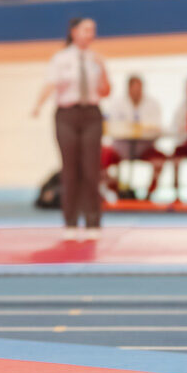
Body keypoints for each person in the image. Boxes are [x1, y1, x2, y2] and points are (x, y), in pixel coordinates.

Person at [33, 17, 110, 239]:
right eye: (86, 29)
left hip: (92, 114)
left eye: (93, 30)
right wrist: (38, 105)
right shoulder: (61, 58)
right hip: (67, 115)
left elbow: (105, 90)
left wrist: (103, 68)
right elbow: (50, 84)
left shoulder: (96, 59)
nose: (90, 33)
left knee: (91, 168)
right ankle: (71, 222)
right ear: (74, 32)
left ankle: (93, 221)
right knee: (70, 169)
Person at [102, 75, 166, 199]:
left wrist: (142, 129)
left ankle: (149, 194)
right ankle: (116, 190)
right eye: (134, 88)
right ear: (128, 89)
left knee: (160, 160)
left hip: (144, 146)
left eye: (139, 88)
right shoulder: (117, 103)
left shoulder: (152, 104)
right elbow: (112, 125)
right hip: (121, 147)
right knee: (101, 157)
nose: (137, 92)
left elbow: (157, 127)